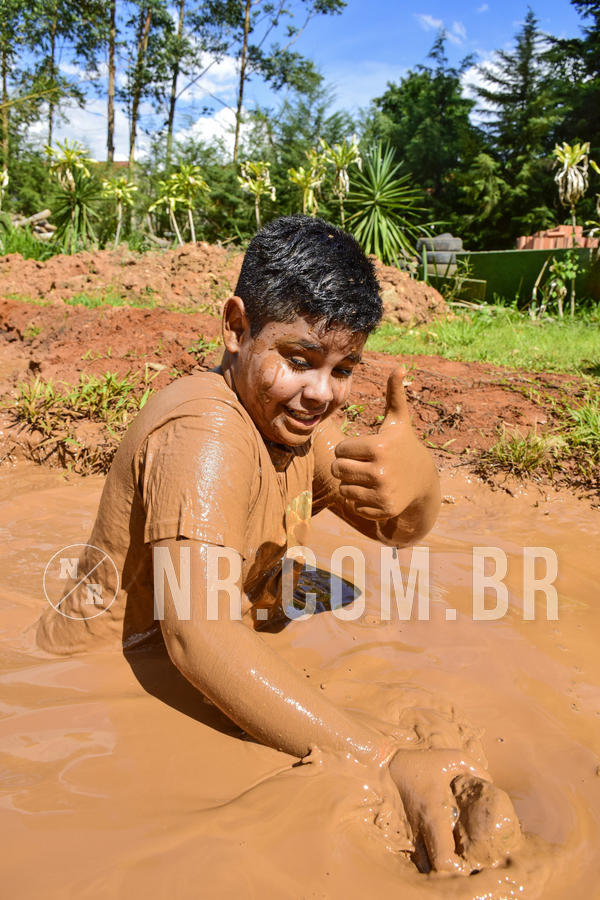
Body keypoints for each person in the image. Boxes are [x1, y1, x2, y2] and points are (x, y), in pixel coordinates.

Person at [37, 215, 518, 874]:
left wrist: (421, 486)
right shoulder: (206, 433)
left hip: (193, 653)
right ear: (236, 328)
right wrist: (380, 759)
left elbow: (393, 533)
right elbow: (197, 638)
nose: (322, 392)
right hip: (97, 682)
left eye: (343, 367)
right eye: (299, 360)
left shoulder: (293, 432)